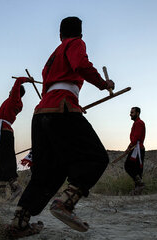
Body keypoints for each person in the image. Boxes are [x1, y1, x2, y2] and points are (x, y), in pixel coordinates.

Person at [7, 16, 115, 238]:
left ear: (59, 35)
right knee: (96, 157)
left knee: (47, 173)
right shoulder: (75, 43)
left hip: (41, 114)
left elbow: (58, 82)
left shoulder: (52, 56)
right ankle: (66, 203)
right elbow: (81, 65)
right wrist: (104, 84)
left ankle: (19, 222)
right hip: (60, 108)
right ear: (80, 34)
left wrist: (72, 104)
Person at [0, 77, 32, 201]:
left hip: (4, 131)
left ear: (17, 92)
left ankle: (15, 186)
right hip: (0, 131)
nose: (10, 91)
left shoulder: (15, 100)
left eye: (13, 90)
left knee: (6, 158)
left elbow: (18, 81)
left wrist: (27, 80)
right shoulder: (13, 101)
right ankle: (2, 189)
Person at [125, 107, 146, 195]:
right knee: (136, 169)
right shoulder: (136, 123)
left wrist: (129, 147)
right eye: (130, 112)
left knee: (128, 166)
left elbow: (136, 137)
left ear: (137, 113)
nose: (130, 114)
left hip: (137, 149)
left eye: (132, 112)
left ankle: (140, 185)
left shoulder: (139, 123)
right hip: (136, 148)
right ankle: (138, 190)